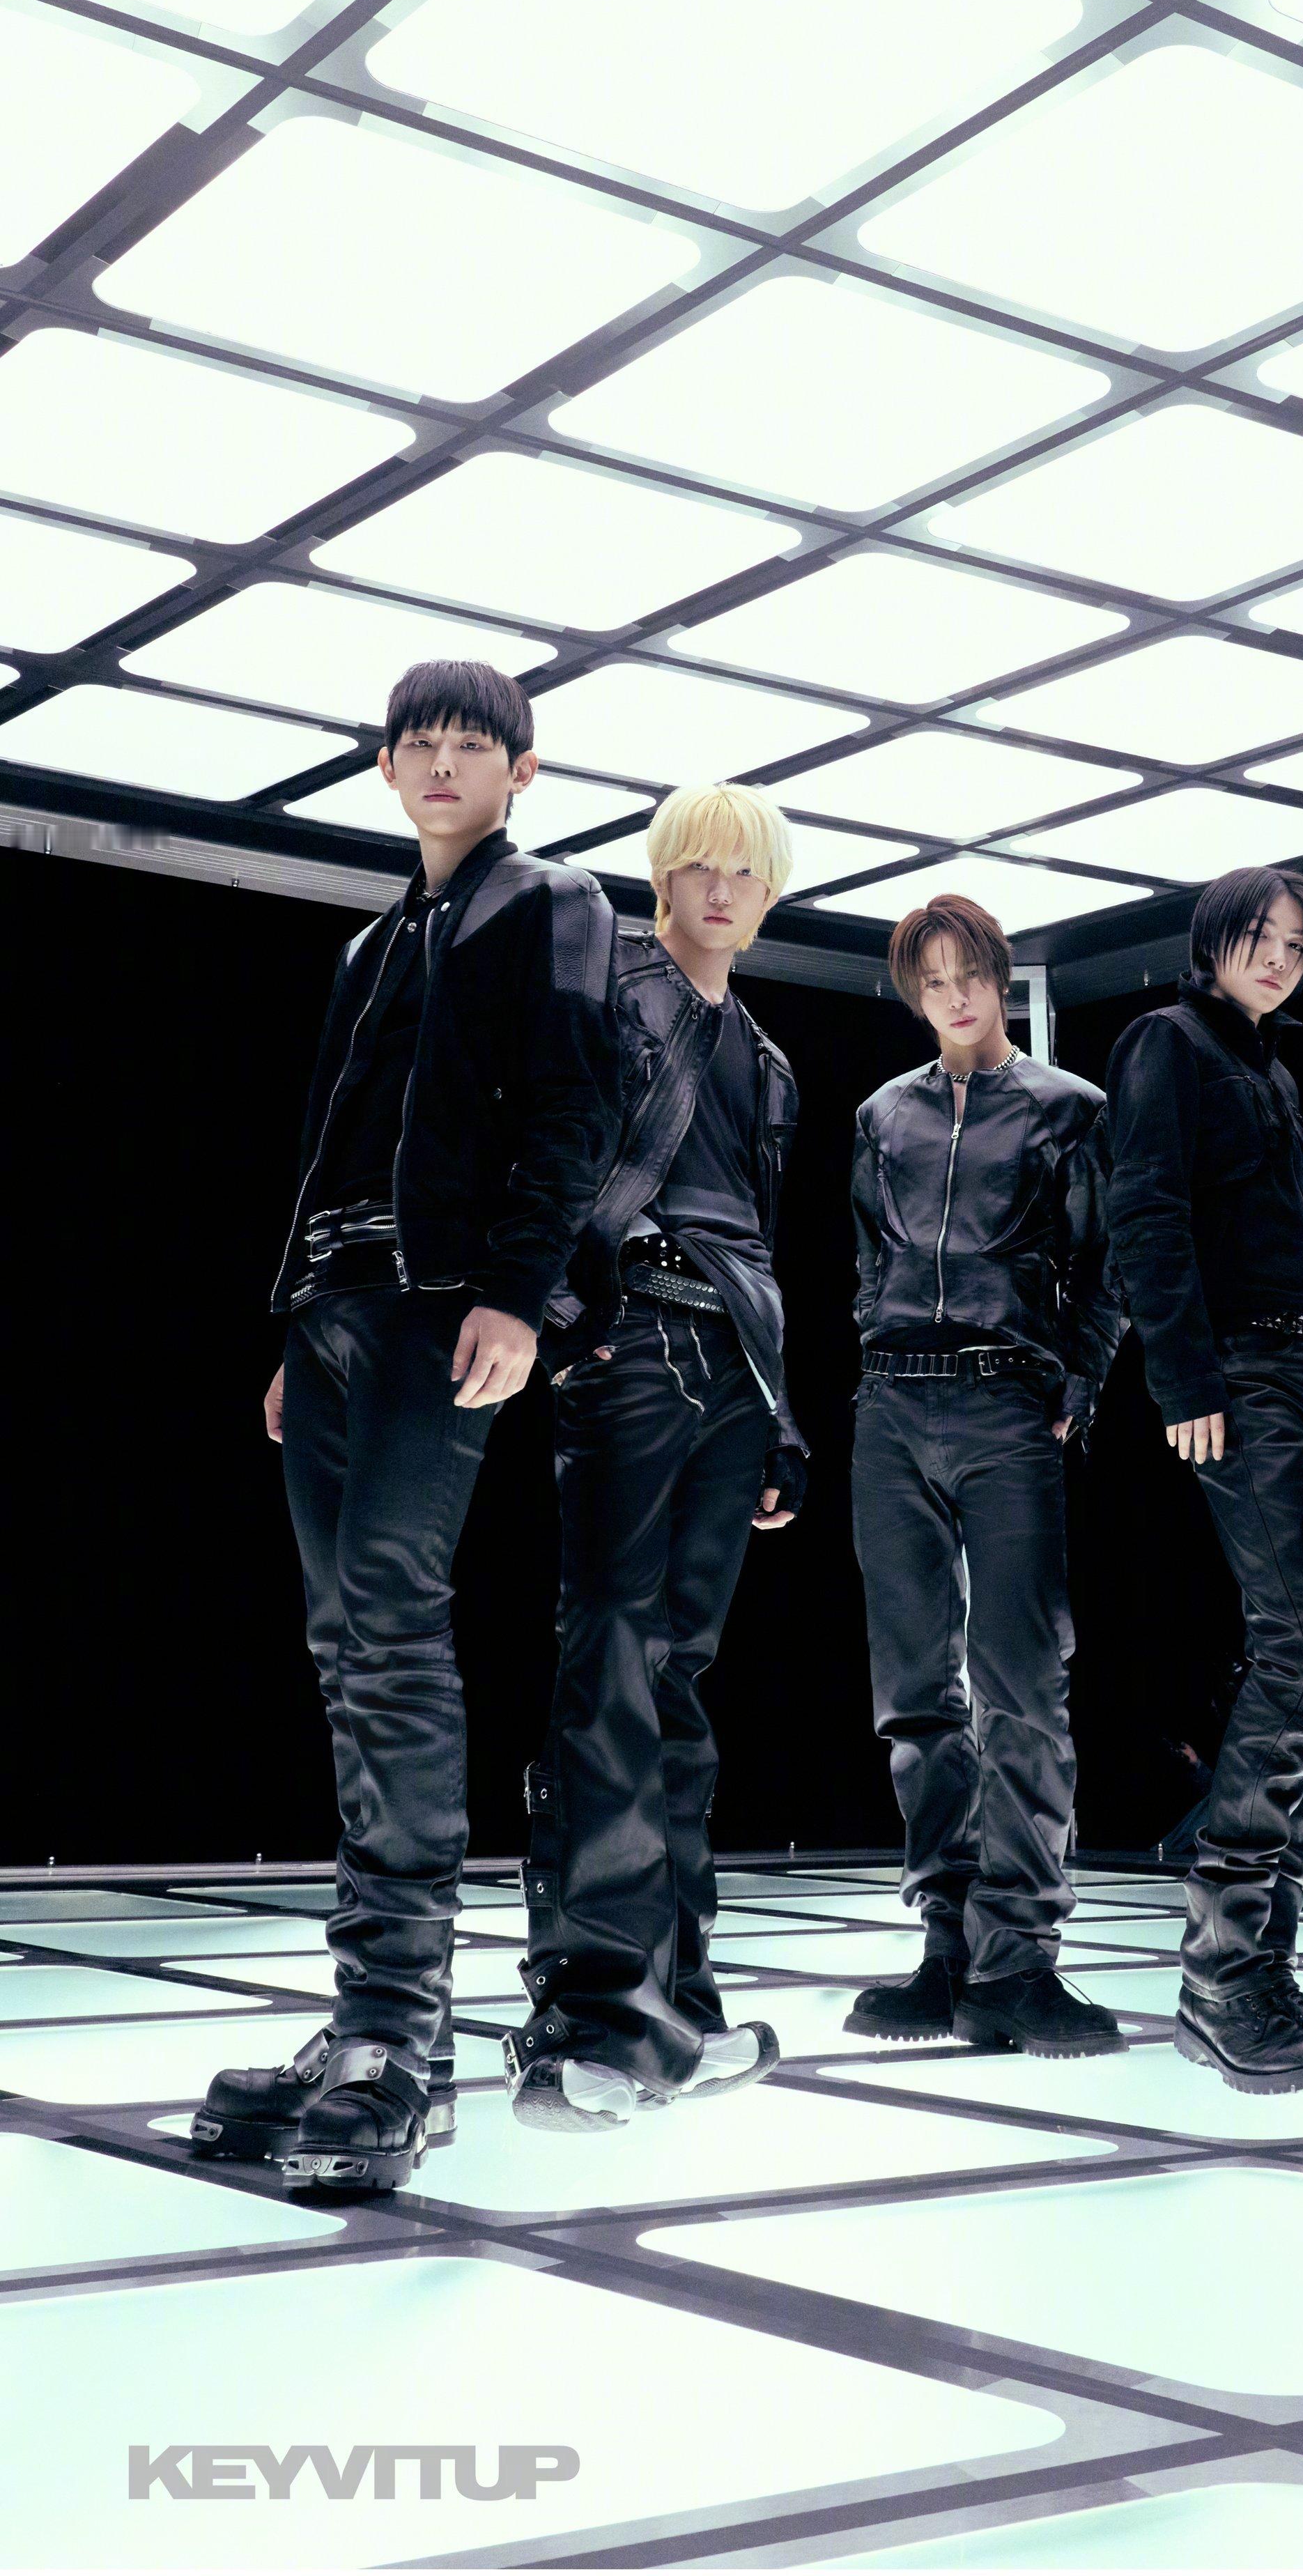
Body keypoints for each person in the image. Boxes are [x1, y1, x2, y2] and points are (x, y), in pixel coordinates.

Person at [191, 661, 621, 2196]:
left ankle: (400, 2028)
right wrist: (294, 1325)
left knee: (388, 1610)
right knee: (341, 1638)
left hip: (442, 1300)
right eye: (418, 744)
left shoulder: (553, 902)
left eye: (470, 745)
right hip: (337, 1307)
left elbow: (575, 1106)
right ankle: (370, 2011)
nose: (442, 764)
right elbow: (331, 1138)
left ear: (521, 770)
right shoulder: (374, 942)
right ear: (386, 767)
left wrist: (515, 1291)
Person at [502, 785, 806, 2133]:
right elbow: (540, 1148)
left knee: (675, 1676)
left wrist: (782, 1418)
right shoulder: (609, 986)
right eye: (702, 867)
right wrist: (565, 1321)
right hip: (629, 1343)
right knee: (613, 1667)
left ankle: (676, 1997)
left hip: (731, 1368)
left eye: (747, 872)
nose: (722, 891)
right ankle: (586, 2008)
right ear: (664, 874)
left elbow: (764, 1253)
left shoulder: (771, 1060)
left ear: (771, 892)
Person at [1104, 867, 1303, 2097]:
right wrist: (1181, 1379)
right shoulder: (1165, 1043)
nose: (1279, 959)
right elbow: (1146, 1212)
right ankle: (1221, 1975)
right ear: (1210, 940)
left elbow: (1290, 1235)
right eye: (1258, 938)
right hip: (1244, 1380)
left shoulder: (1271, 1071)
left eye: (1297, 945)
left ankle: (1263, 1967)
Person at [846, 896, 1125, 2056]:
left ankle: (1021, 1958)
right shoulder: (881, 1115)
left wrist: (1079, 1377)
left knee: (1022, 1682)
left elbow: (1108, 1263)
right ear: (913, 992)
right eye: (933, 980)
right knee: (916, 1691)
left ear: (1001, 977)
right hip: (889, 1404)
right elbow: (870, 1259)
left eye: (971, 974)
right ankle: (947, 1945)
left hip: (1008, 1402)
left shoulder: (1071, 1109)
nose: (955, 996)